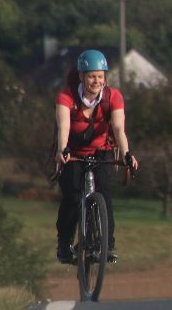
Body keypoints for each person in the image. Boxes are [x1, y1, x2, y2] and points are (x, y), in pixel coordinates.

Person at [54, 49, 139, 264]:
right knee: (72, 197)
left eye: (101, 76)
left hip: (102, 151)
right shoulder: (66, 97)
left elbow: (119, 129)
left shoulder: (113, 97)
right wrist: (62, 149)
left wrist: (127, 154)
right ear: (82, 76)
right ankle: (64, 245)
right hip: (73, 153)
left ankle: (107, 245)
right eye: (92, 76)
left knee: (104, 192)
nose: (97, 81)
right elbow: (63, 126)